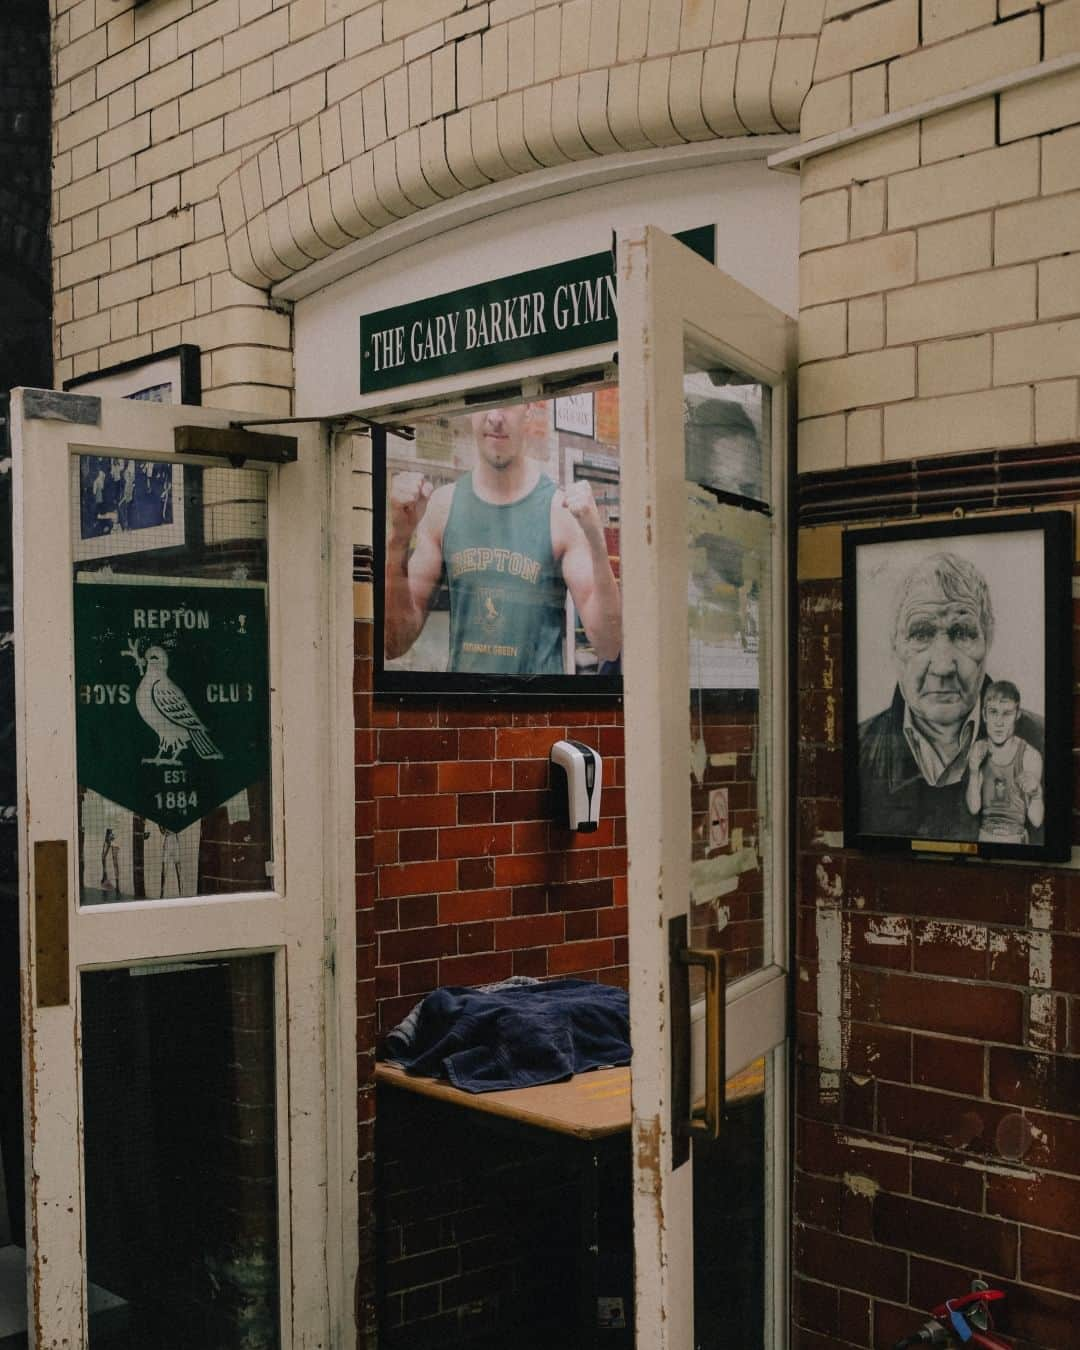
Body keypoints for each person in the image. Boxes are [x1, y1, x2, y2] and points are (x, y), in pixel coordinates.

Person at [384, 404, 621, 674]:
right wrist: (398, 540)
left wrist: (596, 541)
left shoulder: (560, 512)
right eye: (484, 404)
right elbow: (394, 644)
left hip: (535, 713)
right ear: (469, 413)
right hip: (462, 711)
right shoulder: (443, 506)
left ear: (529, 411)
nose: (495, 417)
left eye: (507, 403)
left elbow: (609, 645)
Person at [857, 552, 1044, 841]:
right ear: (894, 648)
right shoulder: (859, 751)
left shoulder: (1044, 742)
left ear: (988, 640)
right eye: (920, 634)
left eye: (962, 633)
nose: (943, 666)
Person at [965, 681, 1044, 844]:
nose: (999, 722)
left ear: (1017, 714)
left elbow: (1036, 820)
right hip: (985, 836)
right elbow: (973, 808)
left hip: (1016, 839)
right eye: (993, 712)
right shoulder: (979, 749)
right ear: (984, 715)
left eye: (1007, 713)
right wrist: (973, 772)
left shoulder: (1029, 755)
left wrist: (1036, 794)